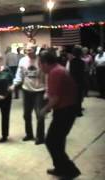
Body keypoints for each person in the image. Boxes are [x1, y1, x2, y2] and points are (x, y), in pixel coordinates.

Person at [39, 49, 81, 179]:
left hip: (65, 111)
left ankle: (70, 170)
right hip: (66, 109)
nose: (39, 67)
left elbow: (55, 98)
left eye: (40, 63)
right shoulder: (59, 69)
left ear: (45, 63)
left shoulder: (55, 72)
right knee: (58, 141)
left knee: (51, 141)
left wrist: (44, 110)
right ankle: (60, 168)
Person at [10, 43, 46, 145]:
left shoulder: (40, 60)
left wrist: (47, 90)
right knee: (26, 114)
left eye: (30, 49)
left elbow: (46, 75)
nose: (27, 51)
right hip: (26, 91)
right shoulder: (22, 61)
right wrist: (14, 84)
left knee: (39, 114)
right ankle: (29, 134)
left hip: (39, 91)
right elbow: (19, 75)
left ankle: (40, 137)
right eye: (26, 50)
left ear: (35, 50)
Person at [68, 46, 85, 117]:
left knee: (74, 96)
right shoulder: (82, 62)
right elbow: (82, 73)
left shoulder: (71, 62)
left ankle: (73, 110)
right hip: (80, 81)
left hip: (73, 81)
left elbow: (71, 72)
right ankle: (78, 111)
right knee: (79, 96)